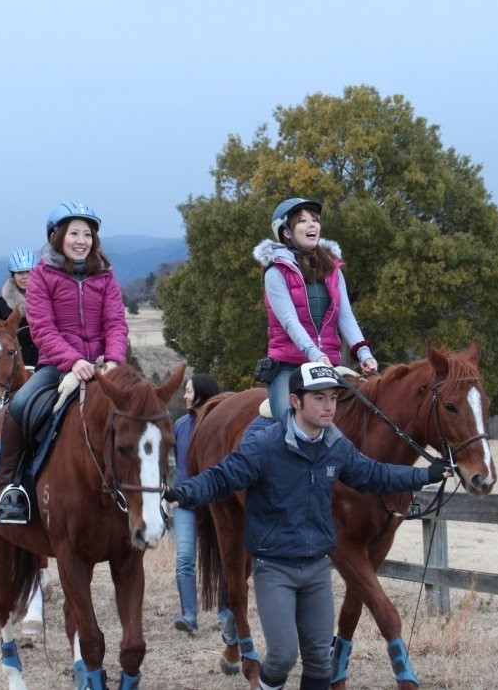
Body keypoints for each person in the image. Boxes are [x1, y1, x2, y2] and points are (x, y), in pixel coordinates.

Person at [164, 363, 449, 690]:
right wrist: (185, 491)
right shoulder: (264, 446)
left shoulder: (335, 447)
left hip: (315, 568)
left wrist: (425, 474)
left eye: (333, 398)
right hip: (275, 566)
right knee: (284, 655)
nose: (330, 406)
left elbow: (374, 474)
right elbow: (223, 476)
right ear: (295, 402)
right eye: (319, 398)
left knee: (317, 660)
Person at [0, 201, 129, 525]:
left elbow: (115, 323)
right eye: (74, 233)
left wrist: (113, 359)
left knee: (145, 408)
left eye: (87, 233)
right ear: (57, 236)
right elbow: (42, 328)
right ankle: (12, 489)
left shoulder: (106, 276)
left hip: (104, 364)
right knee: (20, 406)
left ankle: (147, 493)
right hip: (57, 364)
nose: (81, 240)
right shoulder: (42, 275)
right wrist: (73, 360)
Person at [253, 197, 378, 422]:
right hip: (287, 367)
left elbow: (345, 315)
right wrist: (315, 354)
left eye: (315, 220)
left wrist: (363, 353)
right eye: (303, 221)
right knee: (289, 426)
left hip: (327, 364)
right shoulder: (275, 272)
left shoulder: (333, 270)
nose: (312, 225)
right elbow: (289, 321)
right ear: (286, 233)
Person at [168, 372, 232, 636]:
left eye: (189, 391)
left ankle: (226, 614)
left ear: (202, 394)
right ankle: (189, 617)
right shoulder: (180, 425)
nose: (184, 395)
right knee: (184, 558)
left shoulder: (221, 425)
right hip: (185, 503)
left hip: (216, 500)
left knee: (224, 559)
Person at [0, 248, 39, 368]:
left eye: (29, 272)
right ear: (13, 276)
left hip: (46, 360)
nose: (25, 277)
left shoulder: (48, 299)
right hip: (15, 364)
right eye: (20, 273)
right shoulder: (2, 304)